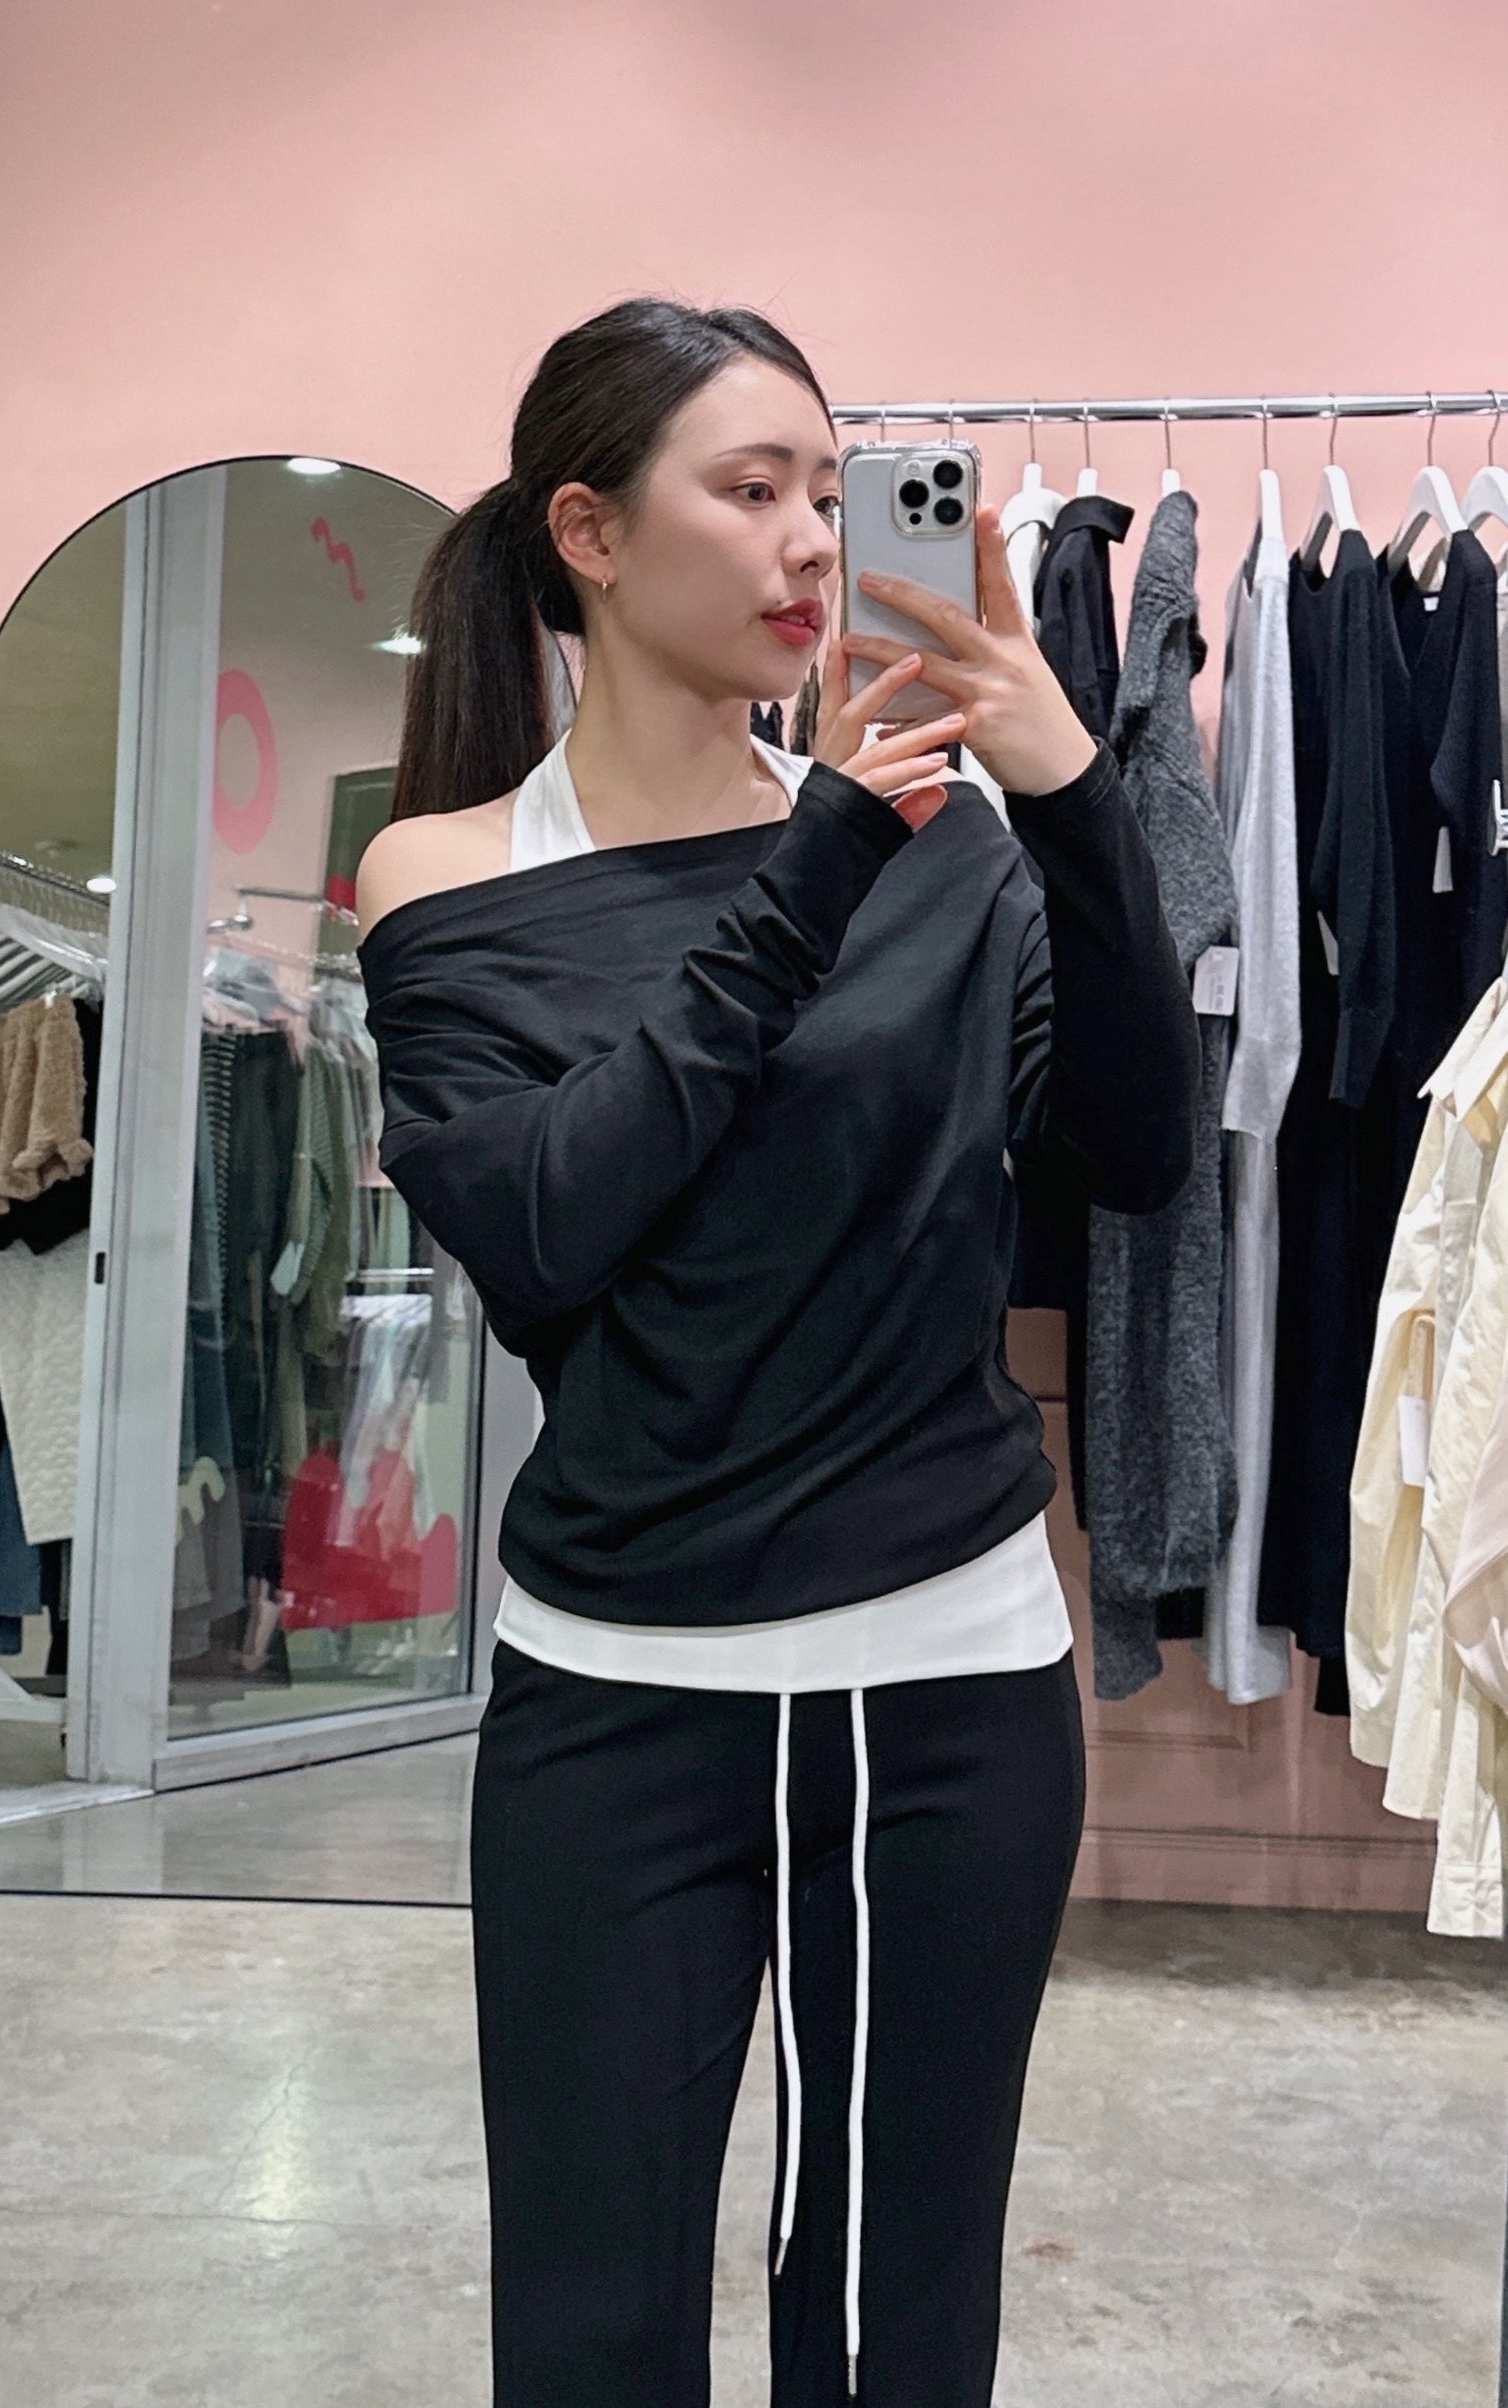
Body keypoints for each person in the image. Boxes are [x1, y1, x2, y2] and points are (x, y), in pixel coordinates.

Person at [352, 298, 1197, 2408]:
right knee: (589, 2319)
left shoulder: (950, 847)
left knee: (896, 2325)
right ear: (588, 533)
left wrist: (1062, 783)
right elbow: (552, 1221)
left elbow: (1133, 1149)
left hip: (950, 1682)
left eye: (832, 488)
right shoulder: (445, 882)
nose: (815, 539)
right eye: (751, 489)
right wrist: (817, 857)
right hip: (615, 1691)